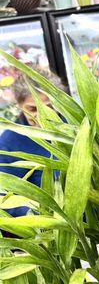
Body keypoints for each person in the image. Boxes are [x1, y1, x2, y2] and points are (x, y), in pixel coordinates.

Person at [0, 69, 65, 217]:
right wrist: (43, 216)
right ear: (19, 105)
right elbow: (4, 199)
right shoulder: (8, 144)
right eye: (32, 109)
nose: (40, 115)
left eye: (48, 108)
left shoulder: (70, 126)